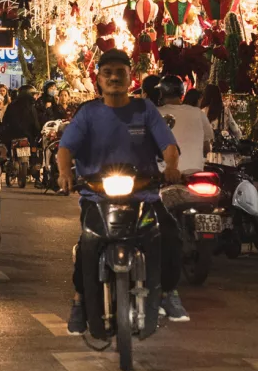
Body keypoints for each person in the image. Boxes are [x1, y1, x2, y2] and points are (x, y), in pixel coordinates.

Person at [56, 49, 182, 334]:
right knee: (88, 245)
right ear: (98, 79)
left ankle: (169, 293)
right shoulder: (88, 113)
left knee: (170, 236)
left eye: (120, 72)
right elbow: (66, 148)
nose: (114, 77)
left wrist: (172, 166)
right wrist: (65, 173)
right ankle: (80, 301)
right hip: (97, 196)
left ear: (130, 77)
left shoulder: (145, 109)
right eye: (107, 72)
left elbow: (168, 145)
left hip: (143, 196)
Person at [157, 75, 216, 174]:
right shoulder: (198, 113)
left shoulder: (154, 114)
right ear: (181, 93)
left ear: (161, 93)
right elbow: (207, 148)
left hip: (163, 177)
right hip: (194, 174)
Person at [0, 85, 42, 177]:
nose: (35, 97)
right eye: (33, 94)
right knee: (34, 149)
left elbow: (5, 121)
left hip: (13, 136)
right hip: (27, 137)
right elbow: (35, 124)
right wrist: (37, 133)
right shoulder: (31, 107)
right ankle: (34, 165)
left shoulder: (12, 105)